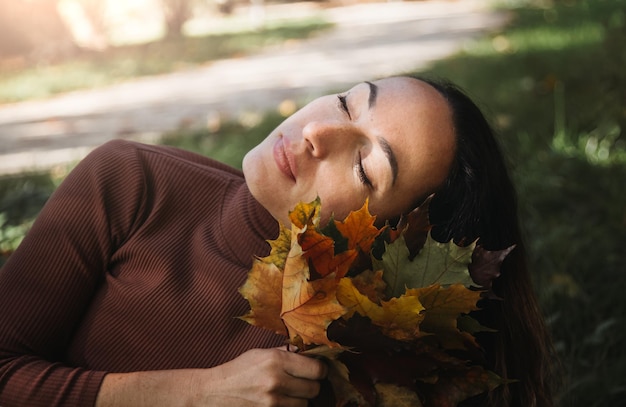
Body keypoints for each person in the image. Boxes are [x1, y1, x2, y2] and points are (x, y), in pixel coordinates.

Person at [0, 76, 557, 407]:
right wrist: (193, 394)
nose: (318, 132)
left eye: (365, 166)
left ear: (395, 243)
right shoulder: (130, 181)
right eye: (345, 102)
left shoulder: (358, 348)